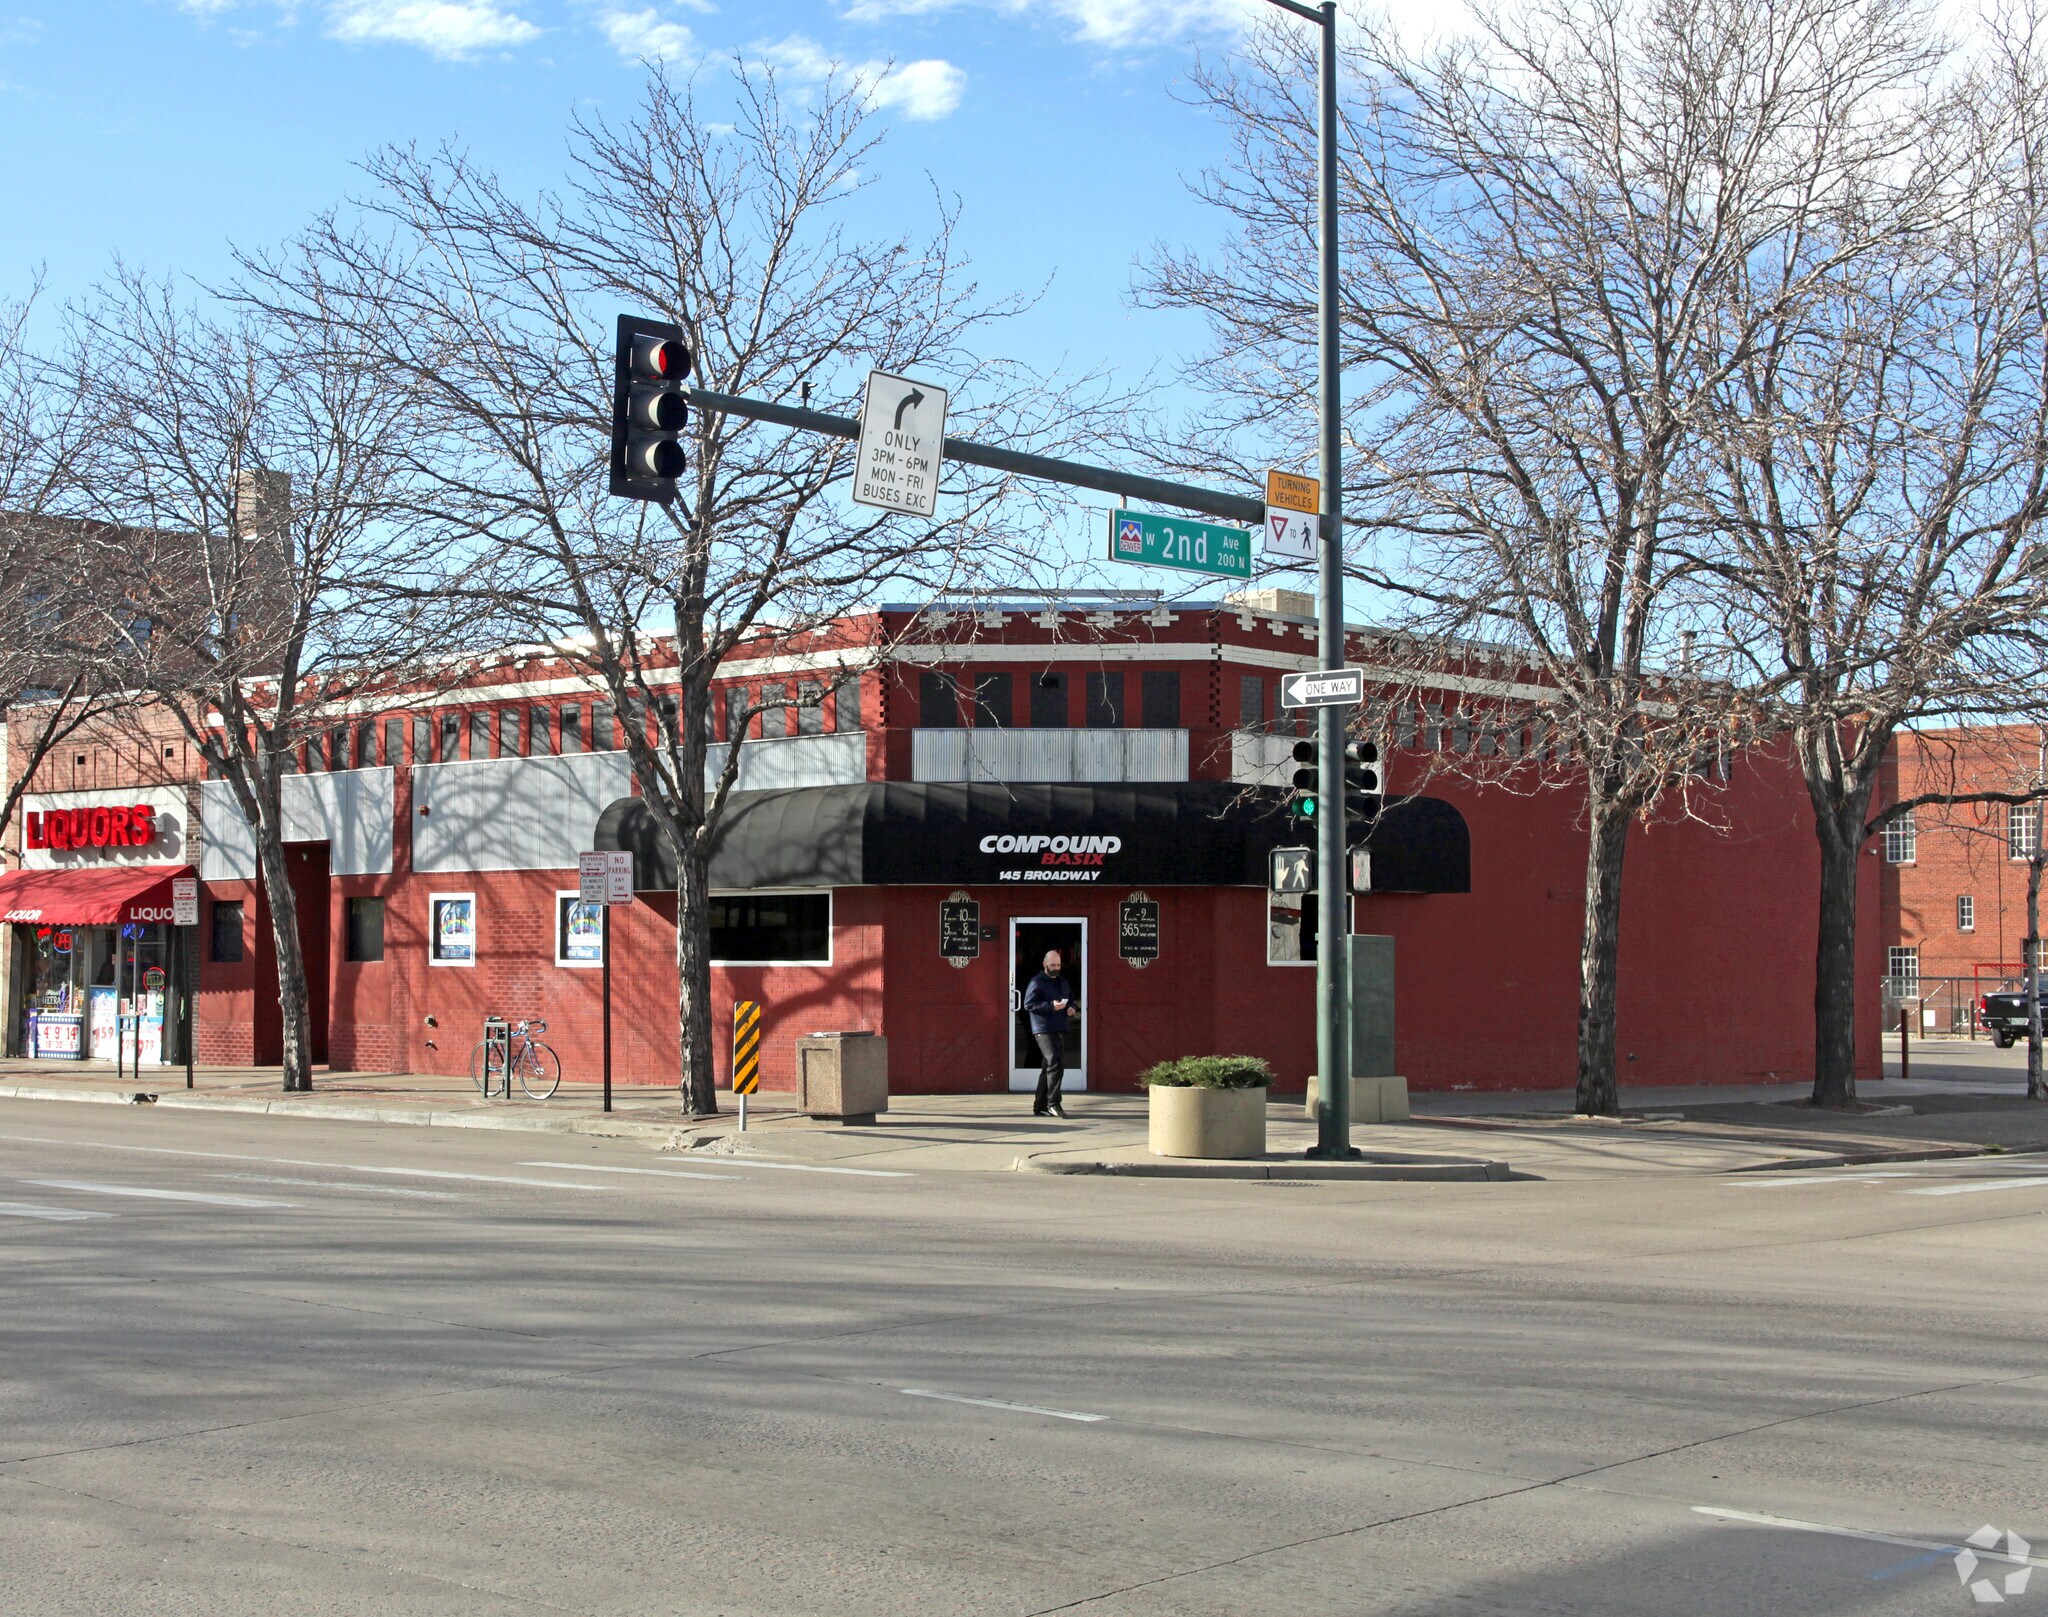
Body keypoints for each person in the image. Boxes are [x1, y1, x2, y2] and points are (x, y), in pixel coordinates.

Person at [1022, 948, 1077, 1117]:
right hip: (1043, 1029)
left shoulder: (1062, 982)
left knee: (1049, 1067)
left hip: (1059, 1027)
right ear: (1045, 964)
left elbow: (1071, 999)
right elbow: (1028, 1005)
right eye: (1052, 964)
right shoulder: (1037, 982)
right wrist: (1051, 1006)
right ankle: (1053, 1103)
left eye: (1058, 965)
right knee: (1055, 1064)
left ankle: (1039, 1106)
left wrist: (1071, 1008)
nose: (1056, 968)